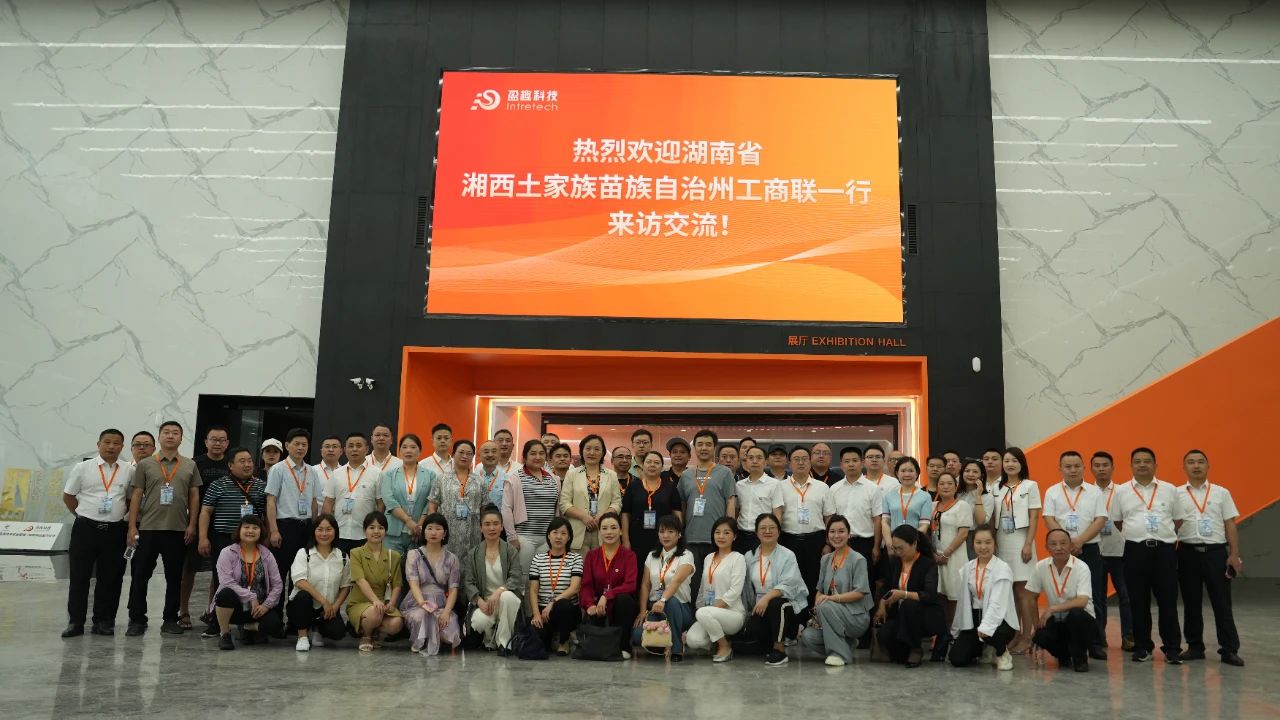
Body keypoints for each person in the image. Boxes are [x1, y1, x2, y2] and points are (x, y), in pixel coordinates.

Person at [126, 420, 202, 637]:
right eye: (166, 432)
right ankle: (137, 619)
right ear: (159, 437)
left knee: (174, 577)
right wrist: (132, 527)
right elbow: (136, 495)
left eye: (175, 433)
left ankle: (170, 619)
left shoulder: (189, 465)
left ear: (181, 438)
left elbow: (194, 496)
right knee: (140, 575)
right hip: (148, 529)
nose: (170, 436)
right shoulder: (146, 464)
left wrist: (192, 525)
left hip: (178, 530)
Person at [1110, 447, 1183, 664]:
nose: (1142, 464)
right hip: (1135, 550)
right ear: (1131, 465)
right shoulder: (1122, 491)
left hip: (1164, 551)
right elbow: (1118, 521)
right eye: (1138, 461)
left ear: (1155, 465)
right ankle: (1143, 647)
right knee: (1138, 601)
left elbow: (1177, 520)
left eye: (1147, 461)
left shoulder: (1170, 489)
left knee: (1168, 600)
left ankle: (1172, 648)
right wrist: (1137, 534)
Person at [1174, 449, 1244, 666]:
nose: (1196, 466)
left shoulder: (1221, 493)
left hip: (1215, 553)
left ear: (1208, 466)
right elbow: (1172, 524)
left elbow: (1230, 524)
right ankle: (1195, 647)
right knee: (1191, 603)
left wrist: (1234, 554)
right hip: (1187, 552)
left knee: (1222, 603)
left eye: (1200, 462)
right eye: (1191, 462)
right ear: (1184, 467)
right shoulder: (1176, 494)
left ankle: (1229, 649)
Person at [62, 429, 133, 638]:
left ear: (122, 447)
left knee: (109, 578)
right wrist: (82, 515)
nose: (111, 446)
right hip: (85, 529)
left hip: (115, 531)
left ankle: (103, 621)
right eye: (107, 442)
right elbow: (68, 496)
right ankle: (75, 622)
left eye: (116, 443)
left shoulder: (128, 470)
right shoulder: (83, 468)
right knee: (79, 577)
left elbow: (130, 499)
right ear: (98, 444)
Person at [1042, 450, 1108, 659]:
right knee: (1064, 593)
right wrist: (1066, 543)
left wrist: (1079, 541)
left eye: (1077, 466)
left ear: (1083, 468)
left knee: (1095, 595)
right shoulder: (1052, 492)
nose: (1072, 470)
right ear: (1060, 469)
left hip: (1089, 548)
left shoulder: (1095, 492)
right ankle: (1068, 639)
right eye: (1068, 466)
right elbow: (1049, 518)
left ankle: (1096, 642)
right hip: (1061, 551)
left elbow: (1100, 519)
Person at [198, 447, 268, 638]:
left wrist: (267, 536)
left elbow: (266, 514)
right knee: (222, 580)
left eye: (249, 461)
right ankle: (217, 621)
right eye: (242, 461)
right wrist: (203, 537)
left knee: (252, 579)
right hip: (224, 539)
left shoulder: (261, 486)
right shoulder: (217, 485)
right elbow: (206, 512)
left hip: (252, 541)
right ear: (230, 465)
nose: (247, 465)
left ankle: (247, 620)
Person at [800, 515, 873, 666]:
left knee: (825, 606)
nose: (836, 536)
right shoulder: (825, 559)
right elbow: (820, 590)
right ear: (827, 536)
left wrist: (832, 599)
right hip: (830, 613)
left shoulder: (858, 559)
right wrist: (817, 605)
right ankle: (847, 645)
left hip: (856, 616)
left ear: (849, 534)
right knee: (808, 636)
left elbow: (860, 592)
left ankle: (840, 655)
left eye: (841, 531)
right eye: (832, 532)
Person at [265, 428, 322, 614]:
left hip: (306, 528)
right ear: (287, 445)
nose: (300, 448)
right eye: (296, 444)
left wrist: (315, 529)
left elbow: (314, 502)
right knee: (279, 574)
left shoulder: (312, 471)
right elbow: (271, 501)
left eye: (304, 444)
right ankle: (275, 616)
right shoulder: (278, 469)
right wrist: (273, 530)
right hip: (285, 527)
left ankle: (295, 619)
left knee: (301, 575)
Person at [990, 447, 1040, 653]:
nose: (1010, 464)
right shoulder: (996, 487)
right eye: (1007, 461)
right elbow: (993, 517)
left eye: (1014, 461)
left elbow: (1034, 516)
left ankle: (1028, 637)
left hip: (1021, 541)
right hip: (1002, 541)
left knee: (1023, 592)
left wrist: (1028, 543)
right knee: (1009, 592)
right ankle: (1016, 634)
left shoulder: (1030, 485)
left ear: (1022, 464)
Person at [740, 513, 808, 666]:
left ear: (779, 531)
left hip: (786, 606)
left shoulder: (787, 555)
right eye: (763, 528)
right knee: (753, 639)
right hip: (760, 608)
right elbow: (746, 588)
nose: (767, 531)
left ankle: (780, 650)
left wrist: (767, 598)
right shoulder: (749, 556)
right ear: (756, 532)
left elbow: (789, 584)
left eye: (772, 528)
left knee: (777, 604)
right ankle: (771, 642)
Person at [1027, 528, 1099, 671]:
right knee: (1040, 636)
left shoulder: (1081, 567)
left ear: (1071, 545)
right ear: (1046, 547)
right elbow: (1031, 598)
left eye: (1063, 543)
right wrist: (1036, 626)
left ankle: (1080, 659)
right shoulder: (1041, 567)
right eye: (1053, 544)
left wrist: (1053, 608)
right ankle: (1063, 655)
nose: (1058, 547)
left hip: (1083, 621)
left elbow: (1082, 601)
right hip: (1058, 620)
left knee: (1076, 614)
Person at [948, 524, 1019, 670]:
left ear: (995, 544)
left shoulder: (1002, 568)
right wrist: (956, 631)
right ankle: (984, 647)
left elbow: (997, 603)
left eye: (988, 542)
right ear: (972, 544)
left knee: (995, 633)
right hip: (974, 619)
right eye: (978, 542)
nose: (983, 547)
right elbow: (962, 603)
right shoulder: (968, 568)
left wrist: (986, 626)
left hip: (999, 621)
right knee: (957, 659)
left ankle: (1001, 652)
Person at [210, 515, 284, 650]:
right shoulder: (227, 553)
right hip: (235, 606)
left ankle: (247, 627)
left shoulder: (267, 554)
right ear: (239, 530)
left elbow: (277, 584)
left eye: (255, 528)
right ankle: (224, 634)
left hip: (258, 608)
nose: (250, 531)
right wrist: (250, 596)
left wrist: (266, 605)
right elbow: (226, 582)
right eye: (246, 527)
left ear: (261, 532)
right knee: (225, 594)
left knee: (274, 626)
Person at [873, 525, 943, 667]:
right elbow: (886, 587)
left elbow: (929, 595)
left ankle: (916, 648)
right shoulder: (894, 562)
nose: (898, 552)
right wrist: (882, 603)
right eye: (895, 548)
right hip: (899, 615)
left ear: (914, 544)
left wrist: (904, 594)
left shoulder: (928, 564)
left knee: (909, 604)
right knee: (885, 635)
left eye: (901, 548)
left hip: (923, 615)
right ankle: (905, 648)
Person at [679, 429, 738, 597]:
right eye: (700, 444)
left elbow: (730, 501)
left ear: (714, 448)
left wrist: (729, 531)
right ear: (695, 448)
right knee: (693, 581)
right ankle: (695, 611)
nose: (704, 448)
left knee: (716, 580)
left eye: (708, 444)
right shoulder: (686, 475)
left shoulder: (724, 472)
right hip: (691, 538)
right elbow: (681, 505)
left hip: (717, 538)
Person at [778, 446, 835, 619]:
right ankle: (793, 622)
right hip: (788, 540)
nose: (801, 462)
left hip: (815, 541)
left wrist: (828, 543)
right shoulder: (780, 487)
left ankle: (812, 619)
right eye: (796, 459)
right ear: (789, 463)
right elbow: (777, 516)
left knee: (814, 581)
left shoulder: (822, 487)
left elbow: (829, 517)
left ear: (810, 462)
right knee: (790, 581)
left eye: (804, 459)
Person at [633, 515, 696, 660]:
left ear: (679, 534)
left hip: (680, 609)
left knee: (671, 602)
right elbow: (645, 585)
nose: (665, 535)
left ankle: (677, 649)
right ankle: (665, 640)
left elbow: (676, 581)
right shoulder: (652, 556)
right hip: (655, 609)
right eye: (662, 531)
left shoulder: (686, 555)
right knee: (637, 636)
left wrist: (663, 600)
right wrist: (642, 611)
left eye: (670, 531)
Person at [462, 507, 524, 653]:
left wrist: (499, 591)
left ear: (502, 527)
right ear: (481, 528)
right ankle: (489, 640)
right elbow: (469, 582)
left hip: (506, 601)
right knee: (478, 621)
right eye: (487, 524)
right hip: (486, 602)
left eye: (496, 524)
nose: (492, 528)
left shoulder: (510, 551)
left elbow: (516, 577)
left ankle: (504, 643)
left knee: (507, 596)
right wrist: (479, 602)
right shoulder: (473, 554)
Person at [185, 425, 230, 629]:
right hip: (197, 523)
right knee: (189, 568)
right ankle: (183, 611)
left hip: (222, 525)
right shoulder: (195, 464)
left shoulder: (231, 464)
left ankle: (212, 611)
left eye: (222, 440)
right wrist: (192, 525)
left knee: (218, 571)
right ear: (206, 442)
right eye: (214, 439)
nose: (218, 443)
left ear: (227, 443)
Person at [288, 514, 352, 651]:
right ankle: (302, 636)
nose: (324, 534)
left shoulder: (342, 557)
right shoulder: (304, 553)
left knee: (338, 632)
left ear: (335, 531)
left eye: (328, 529)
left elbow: (346, 586)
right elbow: (300, 581)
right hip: (304, 606)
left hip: (328, 609)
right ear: (314, 531)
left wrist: (335, 606)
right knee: (303, 596)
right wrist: (324, 602)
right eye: (320, 529)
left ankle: (317, 630)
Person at [686, 517, 746, 662]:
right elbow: (703, 588)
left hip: (733, 614)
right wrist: (700, 608)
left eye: (726, 533)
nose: (721, 536)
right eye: (717, 532)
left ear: (734, 536)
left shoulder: (738, 558)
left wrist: (708, 610)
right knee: (693, 641)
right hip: (708, 613)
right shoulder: (709, 557)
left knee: (703, 613)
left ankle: (724, 646)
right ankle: (716, 639)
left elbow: (735, 591)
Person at [401, 513, 461, 655]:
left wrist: (446, 612)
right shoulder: (413, 555)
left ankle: (434, 636)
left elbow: (453, 589)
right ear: (424, 532)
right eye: (429, 528)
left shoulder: (452, 559)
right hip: (418, 602)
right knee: (421, 616)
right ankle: (423, 639)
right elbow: (413, 584)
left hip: (441, 604)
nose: (433, 532)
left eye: (438, 529)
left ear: (444, 533)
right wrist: (422, 603)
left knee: (450, 636)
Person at [580, 512, 639, 657]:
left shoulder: (629, 555)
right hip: (599, 607)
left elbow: (630, 585)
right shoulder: (592, 555)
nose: (609, 532)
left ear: (621, 531)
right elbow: (586, 586)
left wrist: (607, 595)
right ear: (599, 531)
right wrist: (589, 605)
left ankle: (624, 646)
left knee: (624, 600)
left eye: (613, 528)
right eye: (604, 528)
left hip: (619, 606)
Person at [1090, 450, 1133, 651]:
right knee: (1097, 598)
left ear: (1113, 468)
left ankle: (1128, 636)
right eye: (1097, 465)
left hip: (1121, 552)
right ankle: (1099, 637)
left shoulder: (1123, 492)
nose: (1101, 469)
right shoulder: (1087, 492)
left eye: (1105, 465)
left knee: (1126, 596)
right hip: (1096, 552)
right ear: (1091, 469)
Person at [502, 439, 562, 576]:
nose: (538, 457)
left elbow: (557, 509)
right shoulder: (515, 478)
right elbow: (506, 509)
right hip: (524, 537)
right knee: (523, 576)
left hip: (548, 537)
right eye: (533, 453)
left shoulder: (554, 479)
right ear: (525, 456)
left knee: (544, 576)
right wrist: (512, 537)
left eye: (541, 453)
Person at [347, 512, 405, 653]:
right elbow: (360, 580)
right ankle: (366, 636)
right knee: (374, 612)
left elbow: (397, 584)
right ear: (364, 530)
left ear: (386, 531)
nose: (376, 531)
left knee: (397, 623)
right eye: (372, 527)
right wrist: (375, 601)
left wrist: (392, 603)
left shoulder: (394, 556)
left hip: (383, 604)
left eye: (380, 528)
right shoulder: (356, 553)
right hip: (360, 603)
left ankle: (375, 632)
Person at [930, 472, 971, 659]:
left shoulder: (962, 506)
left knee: (954, 597)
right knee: (940, 597)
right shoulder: (933, 506)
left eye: (949, 483)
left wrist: (946, 553)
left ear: (955, 487)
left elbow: (963, 533)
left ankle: (953, 634)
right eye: (942, 483)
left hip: (954, 557)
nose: (945, 486)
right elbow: (929, 533)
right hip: (936, 557)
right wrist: (934, 554)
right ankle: (941, 634)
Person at [621, 450, 682, 574]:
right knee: (638, 573)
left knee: (661, 573)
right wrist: (625, 540)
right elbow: (625, 514)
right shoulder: (634, 486)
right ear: (642, 465)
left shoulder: (670, 487)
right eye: (649, 462)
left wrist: (679, 537)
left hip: (663, 538)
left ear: (662, 467)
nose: (652, 465)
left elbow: (677, 514)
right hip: (637, 538)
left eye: (656, 462)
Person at [528, 517, 583, 655]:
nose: (559, 537)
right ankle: (550, 638)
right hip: (543, 611)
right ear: (548, 535)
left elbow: (575, 588)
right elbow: (533, 590)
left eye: (563, 533)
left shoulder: (575, 558)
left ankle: (564, 642)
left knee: (563, 605)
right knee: (539, 645)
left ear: (569, 537)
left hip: (567, 610)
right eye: (555, 532)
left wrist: (552, 603)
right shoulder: (538, 559)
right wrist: (536, 614)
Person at [559, 434, 622, 553]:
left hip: (604, 530)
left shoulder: (611, 475)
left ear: (603, 453)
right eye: (588, 448)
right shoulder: (572, 474)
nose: (592, 453)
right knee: (579, 565)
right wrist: (584, 517)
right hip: (578, 530)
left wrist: (602, 516)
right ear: (582, 451)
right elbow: (564, 503)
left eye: (597, 449)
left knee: (603, 565)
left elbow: (617, 503)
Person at [321, 432, 382, 555]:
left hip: (365, 534)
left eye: (358, 445)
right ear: (345, 450)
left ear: (366, 449)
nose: (354, 449)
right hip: (339, 533)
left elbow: (380, 503)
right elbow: (328, 503)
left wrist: (377, 528)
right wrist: (325, 529)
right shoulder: (336, 474)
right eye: (351, 446)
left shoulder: (377, 473)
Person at [428, 440, 485, 564]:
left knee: (470, 566)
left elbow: (484, 508)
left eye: (469, 453)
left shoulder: (479, 481)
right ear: (453, 454)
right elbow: (432, 505)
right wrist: (434, 528)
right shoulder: (442, 479)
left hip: (472, 533)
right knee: (446, 567)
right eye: (461, 452)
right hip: (447, 532)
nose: (465, 456)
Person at [380, 433, 437, 554]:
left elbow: (431, 501)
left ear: (420, 451)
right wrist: (408, 521)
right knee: (392, 565)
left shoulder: (430, 475)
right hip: (393, 532)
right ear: (400, 451)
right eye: (404, 447)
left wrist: (420, 525)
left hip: (419, 532)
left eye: (413, 447)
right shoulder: (390, 475)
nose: (408, 450)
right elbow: (389, 500)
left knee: (416, 565)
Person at [829, 446, 882, 570]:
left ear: (862, 462)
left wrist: (876, 547)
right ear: (841, 465)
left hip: (864, 543)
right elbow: (831, 518)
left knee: (865, 578)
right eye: (847, 461)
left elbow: (877, 520)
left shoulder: (873, 489)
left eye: (854, 460)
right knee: (840, 578)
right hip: (839, 542)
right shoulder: (834, 489)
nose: (851, 464)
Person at [734, 445, 783, 554]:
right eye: (751, 458)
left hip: (763, 536)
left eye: (759, 458)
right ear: (746, 461)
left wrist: (774, 537)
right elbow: (736, 511)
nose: (754, 461)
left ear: (766, 462)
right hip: (741, 536)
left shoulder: (774, 484)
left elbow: (778, 514)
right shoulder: (739, 485)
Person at [880, 457, 931, 539]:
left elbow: (924, 525)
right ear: (897, 473)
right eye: (903, 471)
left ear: (917, 473)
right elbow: (885, 522)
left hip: (915, 542)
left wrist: (911, 543)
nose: (907, 474)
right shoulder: (888, 496)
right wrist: (889, 542)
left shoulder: (925, 496)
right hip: (892, 542)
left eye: (911, 471)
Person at [957, 459, 992, 528]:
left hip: (975, 533)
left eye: (975, 472)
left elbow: (980, 521)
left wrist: (978, 496)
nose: (970, 474)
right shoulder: (956, 494)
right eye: (967, 471)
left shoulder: (987, 497)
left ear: (982, 475)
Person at [475, 440, 506, 509]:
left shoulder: (506, 479)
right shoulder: (473, 478)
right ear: (479, 456)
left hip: (498, 515)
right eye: (486, 452)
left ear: (499, 455)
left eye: (494, 452)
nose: (490, 455)